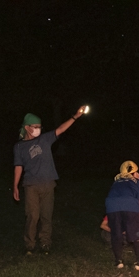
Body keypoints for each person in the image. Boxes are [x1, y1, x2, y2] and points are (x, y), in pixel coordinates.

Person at [13, 105, 87, 255]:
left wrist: (75, 116)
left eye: (40, 127)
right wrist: (15, 186)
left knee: (47, 215)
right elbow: (18, 166)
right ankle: (30, 245)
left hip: (48, 183)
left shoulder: (44, 139)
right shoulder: (19, 147)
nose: (38, 129)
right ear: (27, 128)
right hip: (31, 185)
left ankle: (45, 243)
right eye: (35, 127)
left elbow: (61, 129)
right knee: (33, 215)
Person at [105, 161, 139, 271]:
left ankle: (118, 262)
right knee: (137, 233)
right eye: (137, 172)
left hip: (111, 207)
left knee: (116, 233)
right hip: (129, 205)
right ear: (133, 173)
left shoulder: (116, 182)